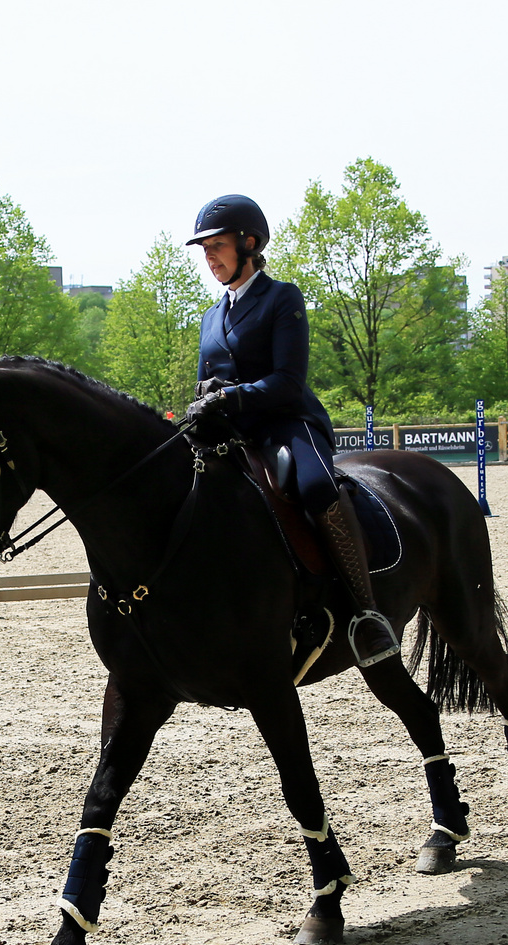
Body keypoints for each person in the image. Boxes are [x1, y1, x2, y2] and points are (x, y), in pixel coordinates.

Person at [183, 194, 399, 668]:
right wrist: (200, 402)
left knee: (318, 486)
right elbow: (204, 381)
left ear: (249, 243)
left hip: (286, 423)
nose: (210, 257)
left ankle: (366, 613)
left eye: (217, 245)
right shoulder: (210, 317)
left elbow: (287, 381)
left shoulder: (282, 297)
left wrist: (231, 395)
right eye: (205, 249)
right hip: (229, 430)